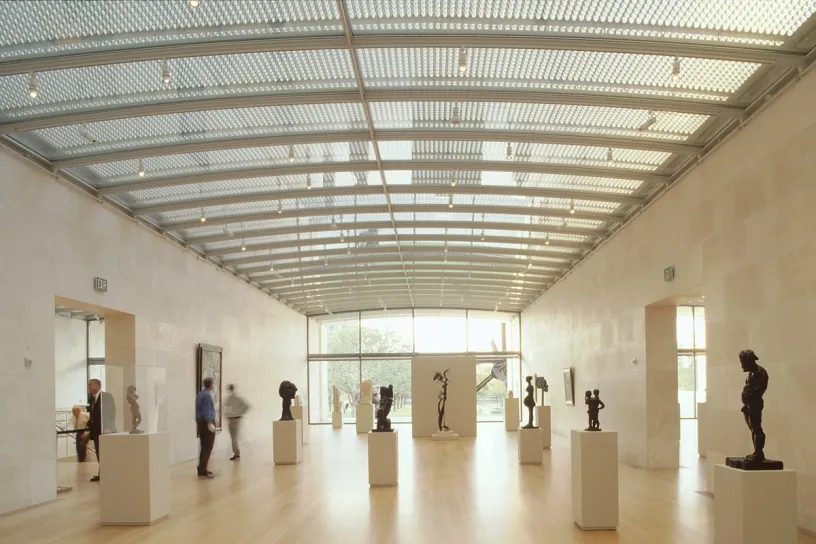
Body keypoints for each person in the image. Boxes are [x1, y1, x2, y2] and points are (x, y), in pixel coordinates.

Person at [88, 378, 116, 481]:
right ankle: (102, 473)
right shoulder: (92, 398)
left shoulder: (106, 396)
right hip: (96, 432)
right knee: (99, 453)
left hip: (105, 431)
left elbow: (111, 412)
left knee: (105, 453)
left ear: (98, 385)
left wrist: (108, 427)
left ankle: (107, 473)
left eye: (91, 384)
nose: (89, 387)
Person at [195, 377, 217, 478]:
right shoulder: (207, 395)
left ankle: (201, 467)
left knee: (203, 446)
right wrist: (209, 423)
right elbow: (206, 410)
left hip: (200, 422)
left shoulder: (200, 394)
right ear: (211, 384)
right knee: (208, 447)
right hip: (206, 422)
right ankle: (203, 470)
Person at [224, 384, 250, 461]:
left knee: (234, 437)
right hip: (230, 419)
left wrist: (240, 413)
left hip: (236, 419)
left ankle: (236, 453)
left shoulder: (238, 398)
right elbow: (227, 409)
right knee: (233, 437)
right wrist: (227, 416)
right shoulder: (228, 399)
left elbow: (247, 406)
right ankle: (236, 452)